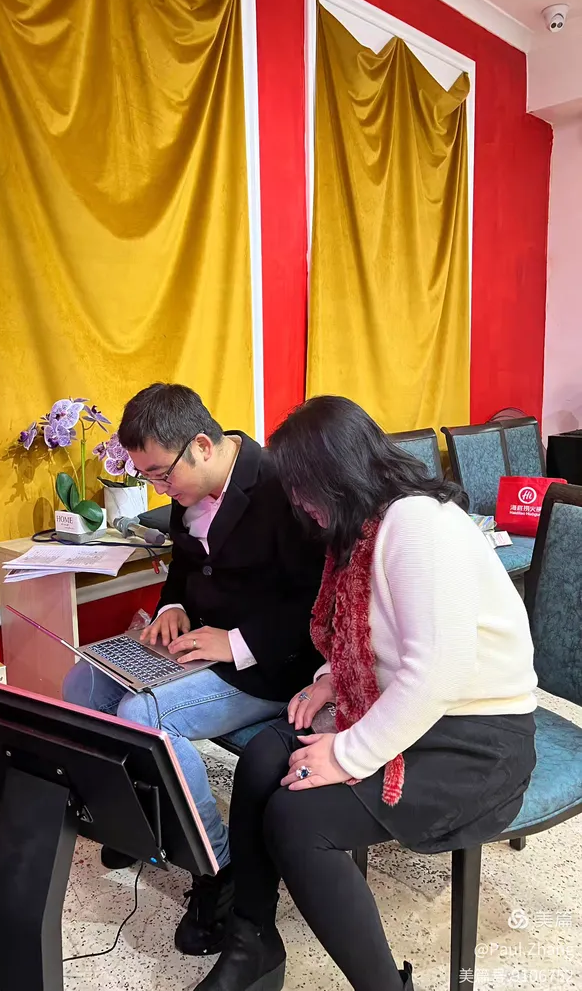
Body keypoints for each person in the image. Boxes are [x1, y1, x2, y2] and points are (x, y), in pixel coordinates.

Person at [194, 396, 538, 991]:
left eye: (301, 489)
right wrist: (331, 680)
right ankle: (253, 942)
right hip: (413, 710)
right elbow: (375, 637)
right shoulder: (364, 527)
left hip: (478, 739)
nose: (298, 504)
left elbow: (439, 670)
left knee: (298, 820)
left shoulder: (419, 525)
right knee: (263, 758)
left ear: (336, 474)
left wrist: (347, 753)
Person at [62, 384, 325, 956]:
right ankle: (141, 821)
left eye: (161, 476)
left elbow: (313, 603)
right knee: (81, 682)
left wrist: (235, 643)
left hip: (268, 665)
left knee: (144, 715)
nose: (160, 490)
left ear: (202, 445)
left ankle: (219, 869)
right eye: (148, 478)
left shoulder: (282, 487)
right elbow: (185, 565)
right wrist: (171, 607)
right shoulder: (190, 483)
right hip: (201, 645)